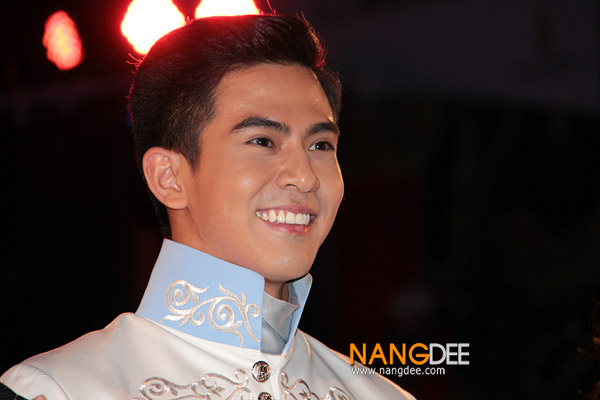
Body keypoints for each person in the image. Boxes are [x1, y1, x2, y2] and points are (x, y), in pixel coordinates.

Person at [1, 14, 415, 399]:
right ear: (169, 177)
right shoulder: (62, 388)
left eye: (320, 145)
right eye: (263, 141)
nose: (305, 176)